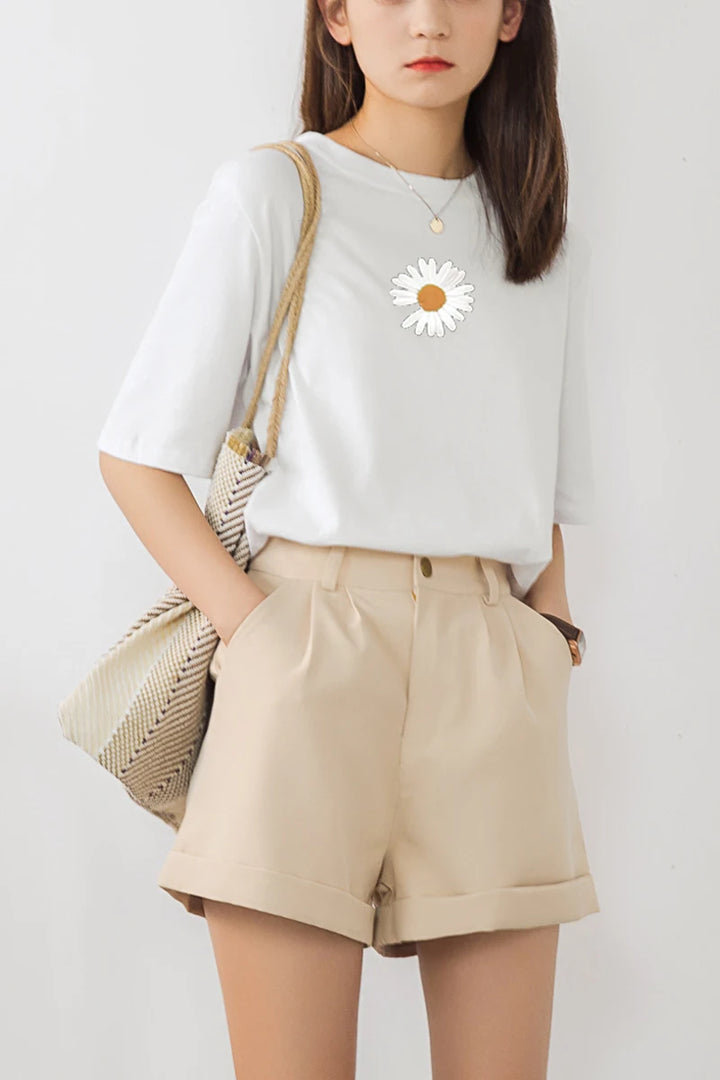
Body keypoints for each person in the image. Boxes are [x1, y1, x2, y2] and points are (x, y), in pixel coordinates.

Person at [96, 0, 600, 1075]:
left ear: (512, 15)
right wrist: (259, 635)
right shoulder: (275, 192)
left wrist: (549, 634)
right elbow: (137, 456)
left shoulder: (539, 229)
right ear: (334, 13)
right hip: (303, 661)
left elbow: (542, 477)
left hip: (492, 673)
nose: (427, 19)